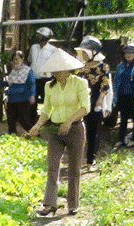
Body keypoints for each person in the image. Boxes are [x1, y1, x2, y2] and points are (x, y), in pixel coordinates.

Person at [26, 47, 90, 217]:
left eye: (57, 69)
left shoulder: (79, 83)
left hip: (75, 129)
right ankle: (49, 204)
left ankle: (72, 204)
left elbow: (85, 107)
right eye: (53, 70)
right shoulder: (49, 86)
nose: (54, 73)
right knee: (53, 167)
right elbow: (47, 109)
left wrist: (69, 121)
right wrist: (37, 126)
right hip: (55, 130)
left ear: (66, 69)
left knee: (74, 169)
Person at [74, 36, 111, 169]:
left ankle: (90, 159)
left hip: (95, 102)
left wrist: (100, 102)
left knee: (93, 132)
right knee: (78, 131)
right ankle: (77, 158)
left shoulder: (103, 67)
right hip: (80, 103)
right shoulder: (80, 67)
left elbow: (105, 86)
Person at [0, 51, 36, 135]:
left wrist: (32, 95)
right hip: (11, 99)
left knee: (23, 121)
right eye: (14, 59)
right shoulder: (13, 71)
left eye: (17, 59)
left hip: (23, 99)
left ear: (22, 59)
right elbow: (8, 83)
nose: (15, 61)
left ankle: (35, 133)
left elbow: (32, 83)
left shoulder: (28, 71)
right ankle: (12, 137)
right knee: (11, 121)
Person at [28, 27, 56, 110]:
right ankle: (32, 120)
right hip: (33, 78)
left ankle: (48, 119)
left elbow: (55, 64)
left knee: (47, 100)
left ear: (45, 37)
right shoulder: (33, 47)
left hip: (46, 79)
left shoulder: (53, 49)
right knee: (32, 100)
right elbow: (30, 60)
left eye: (40, 35)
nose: (38, 37)